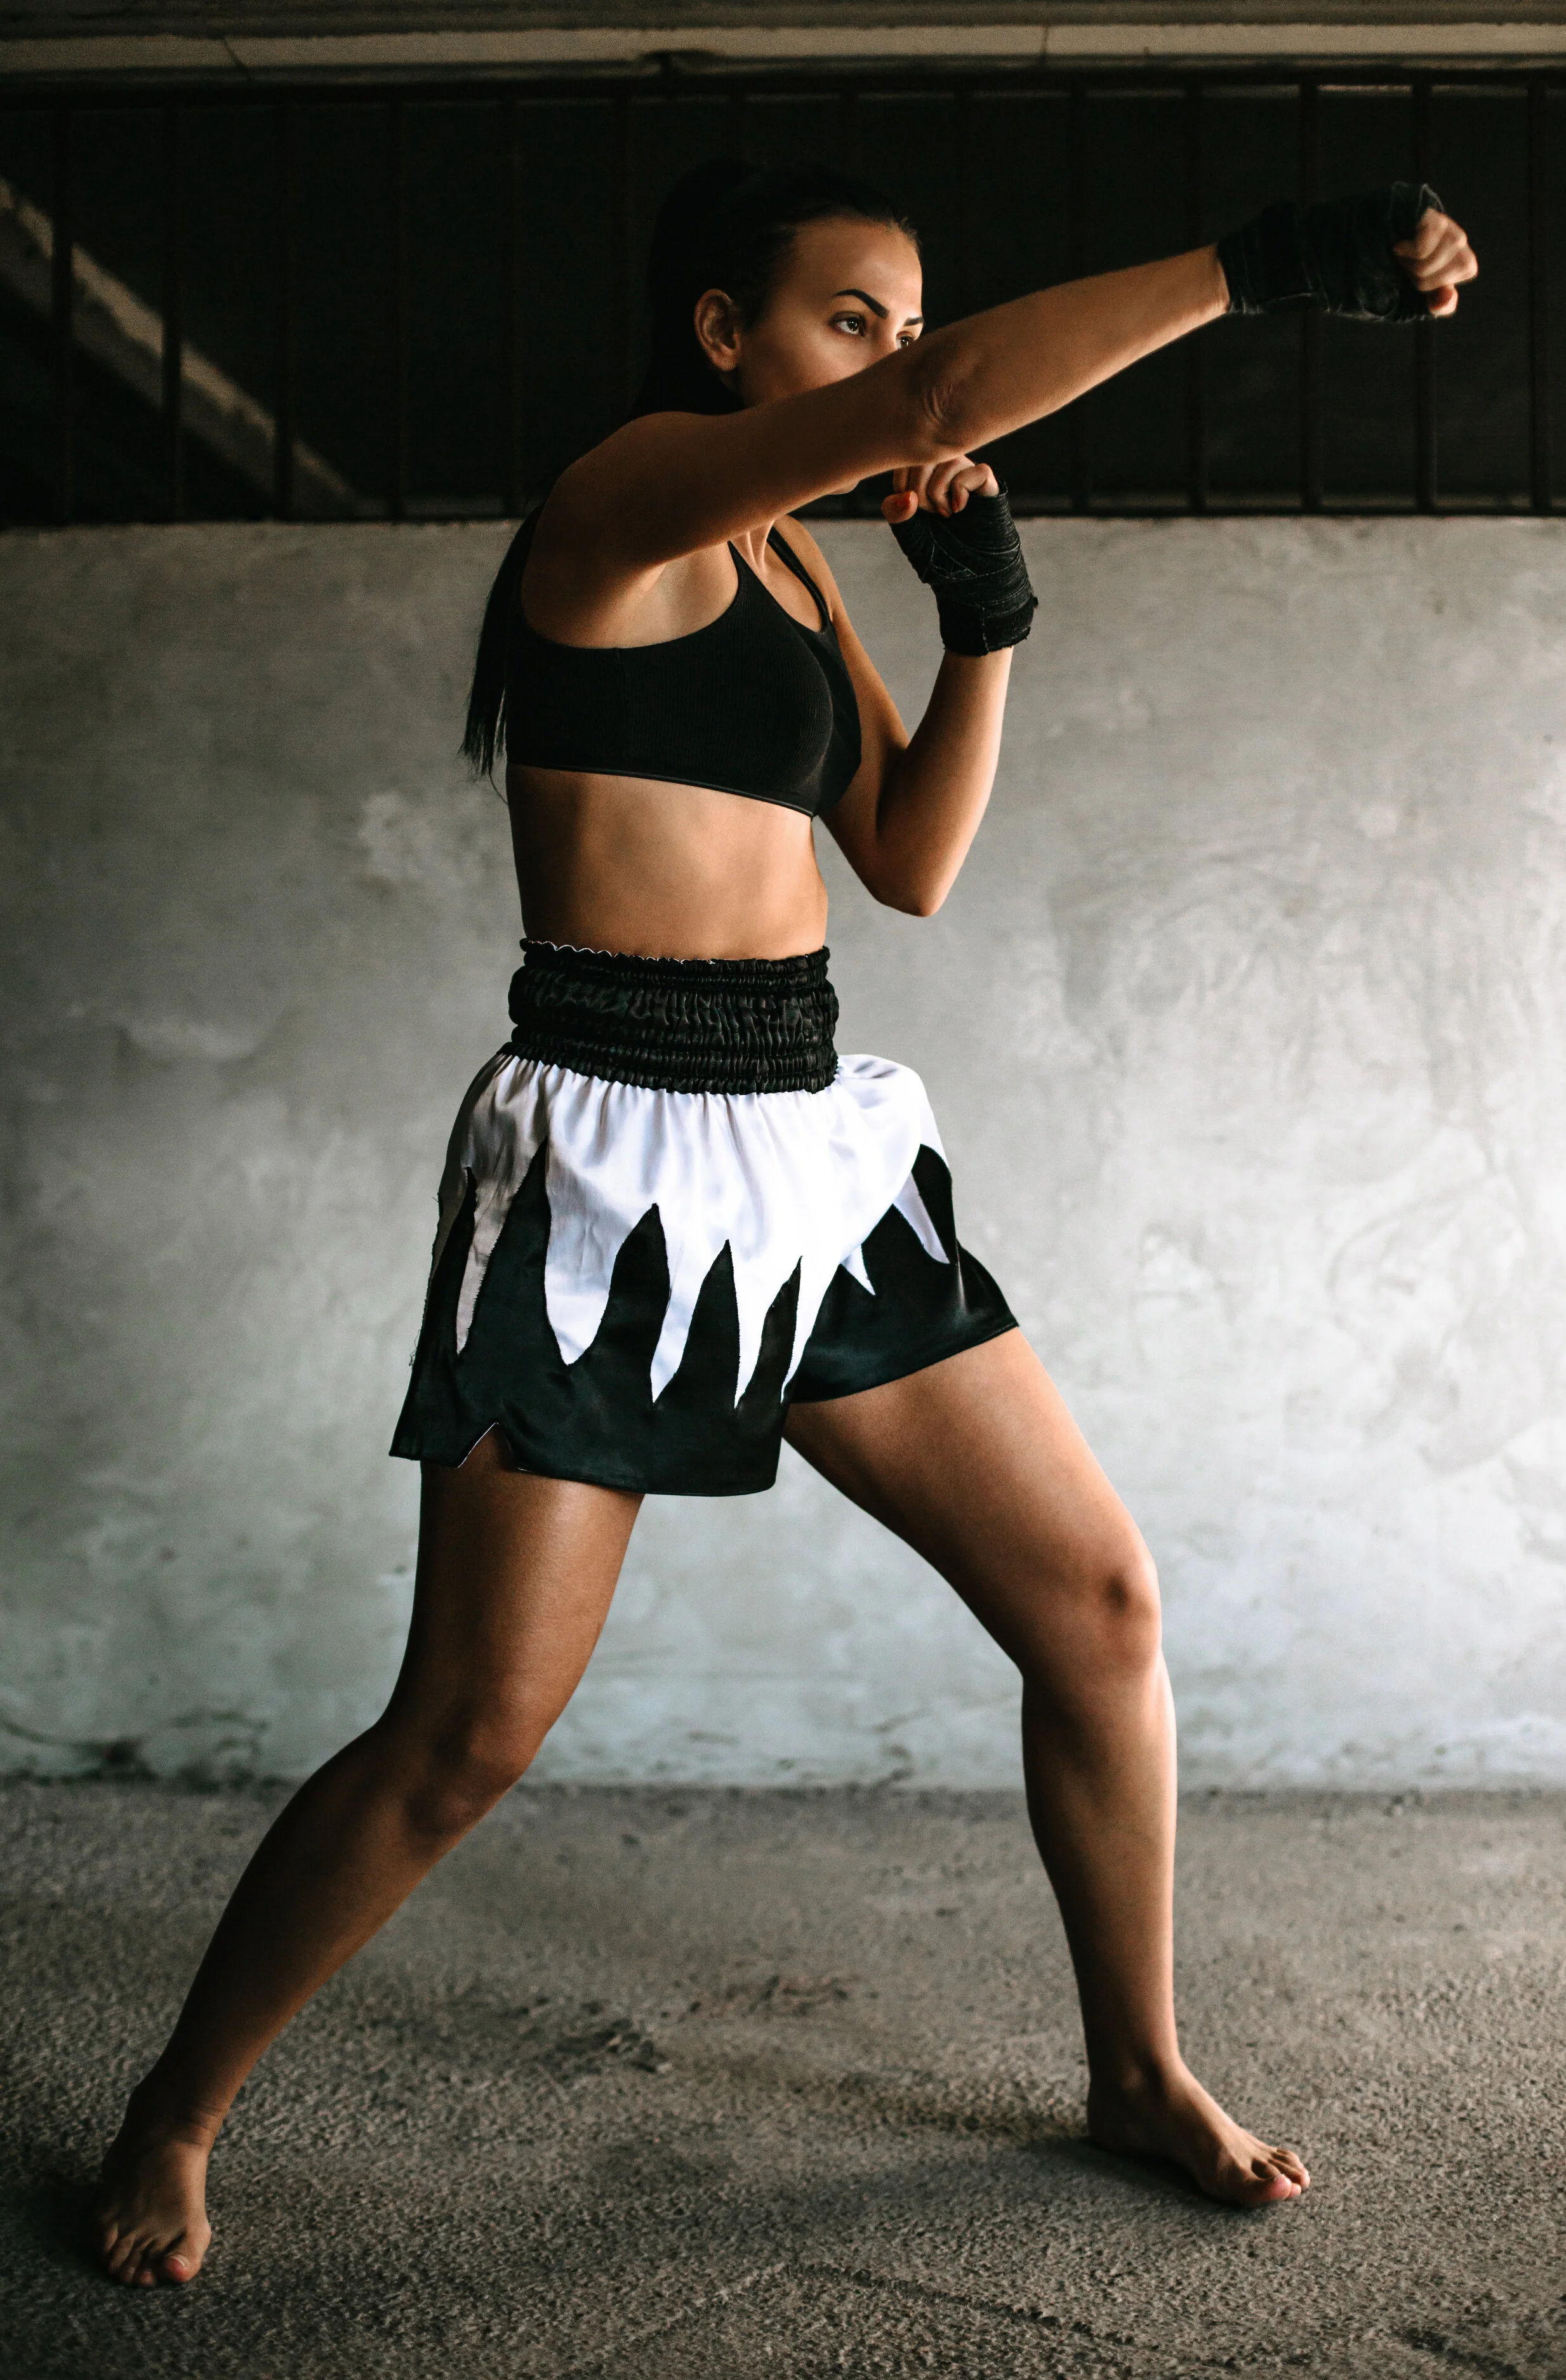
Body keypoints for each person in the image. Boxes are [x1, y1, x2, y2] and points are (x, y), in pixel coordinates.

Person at [92, 156, 1477, 2285]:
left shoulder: (795, 575)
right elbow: (943, 420)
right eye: (860, 319)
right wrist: (1254, 270)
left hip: (811, 1145)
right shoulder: (629, 498)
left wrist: (984, 624)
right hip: (611, 1159)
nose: (905, 360)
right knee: (466, 1733)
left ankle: (1132, 2064)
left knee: (1096, 1607)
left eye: (914, 322)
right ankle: (174, 2110)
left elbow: (911, 858)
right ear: (729, 336)